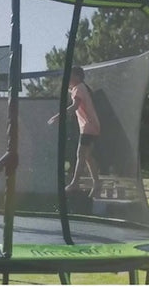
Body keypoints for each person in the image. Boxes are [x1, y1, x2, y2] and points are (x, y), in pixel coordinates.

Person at [48, 66, 101, 198]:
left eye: (70, 76)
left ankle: (75, 182)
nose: (68, 79)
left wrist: (59, 116)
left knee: (81, 154)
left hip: (88, 127)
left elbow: (75, 106)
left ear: (77, 77)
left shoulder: (79, 88)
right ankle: (97, 183)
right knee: (87, 156)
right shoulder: (79, 88)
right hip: (91, 126)